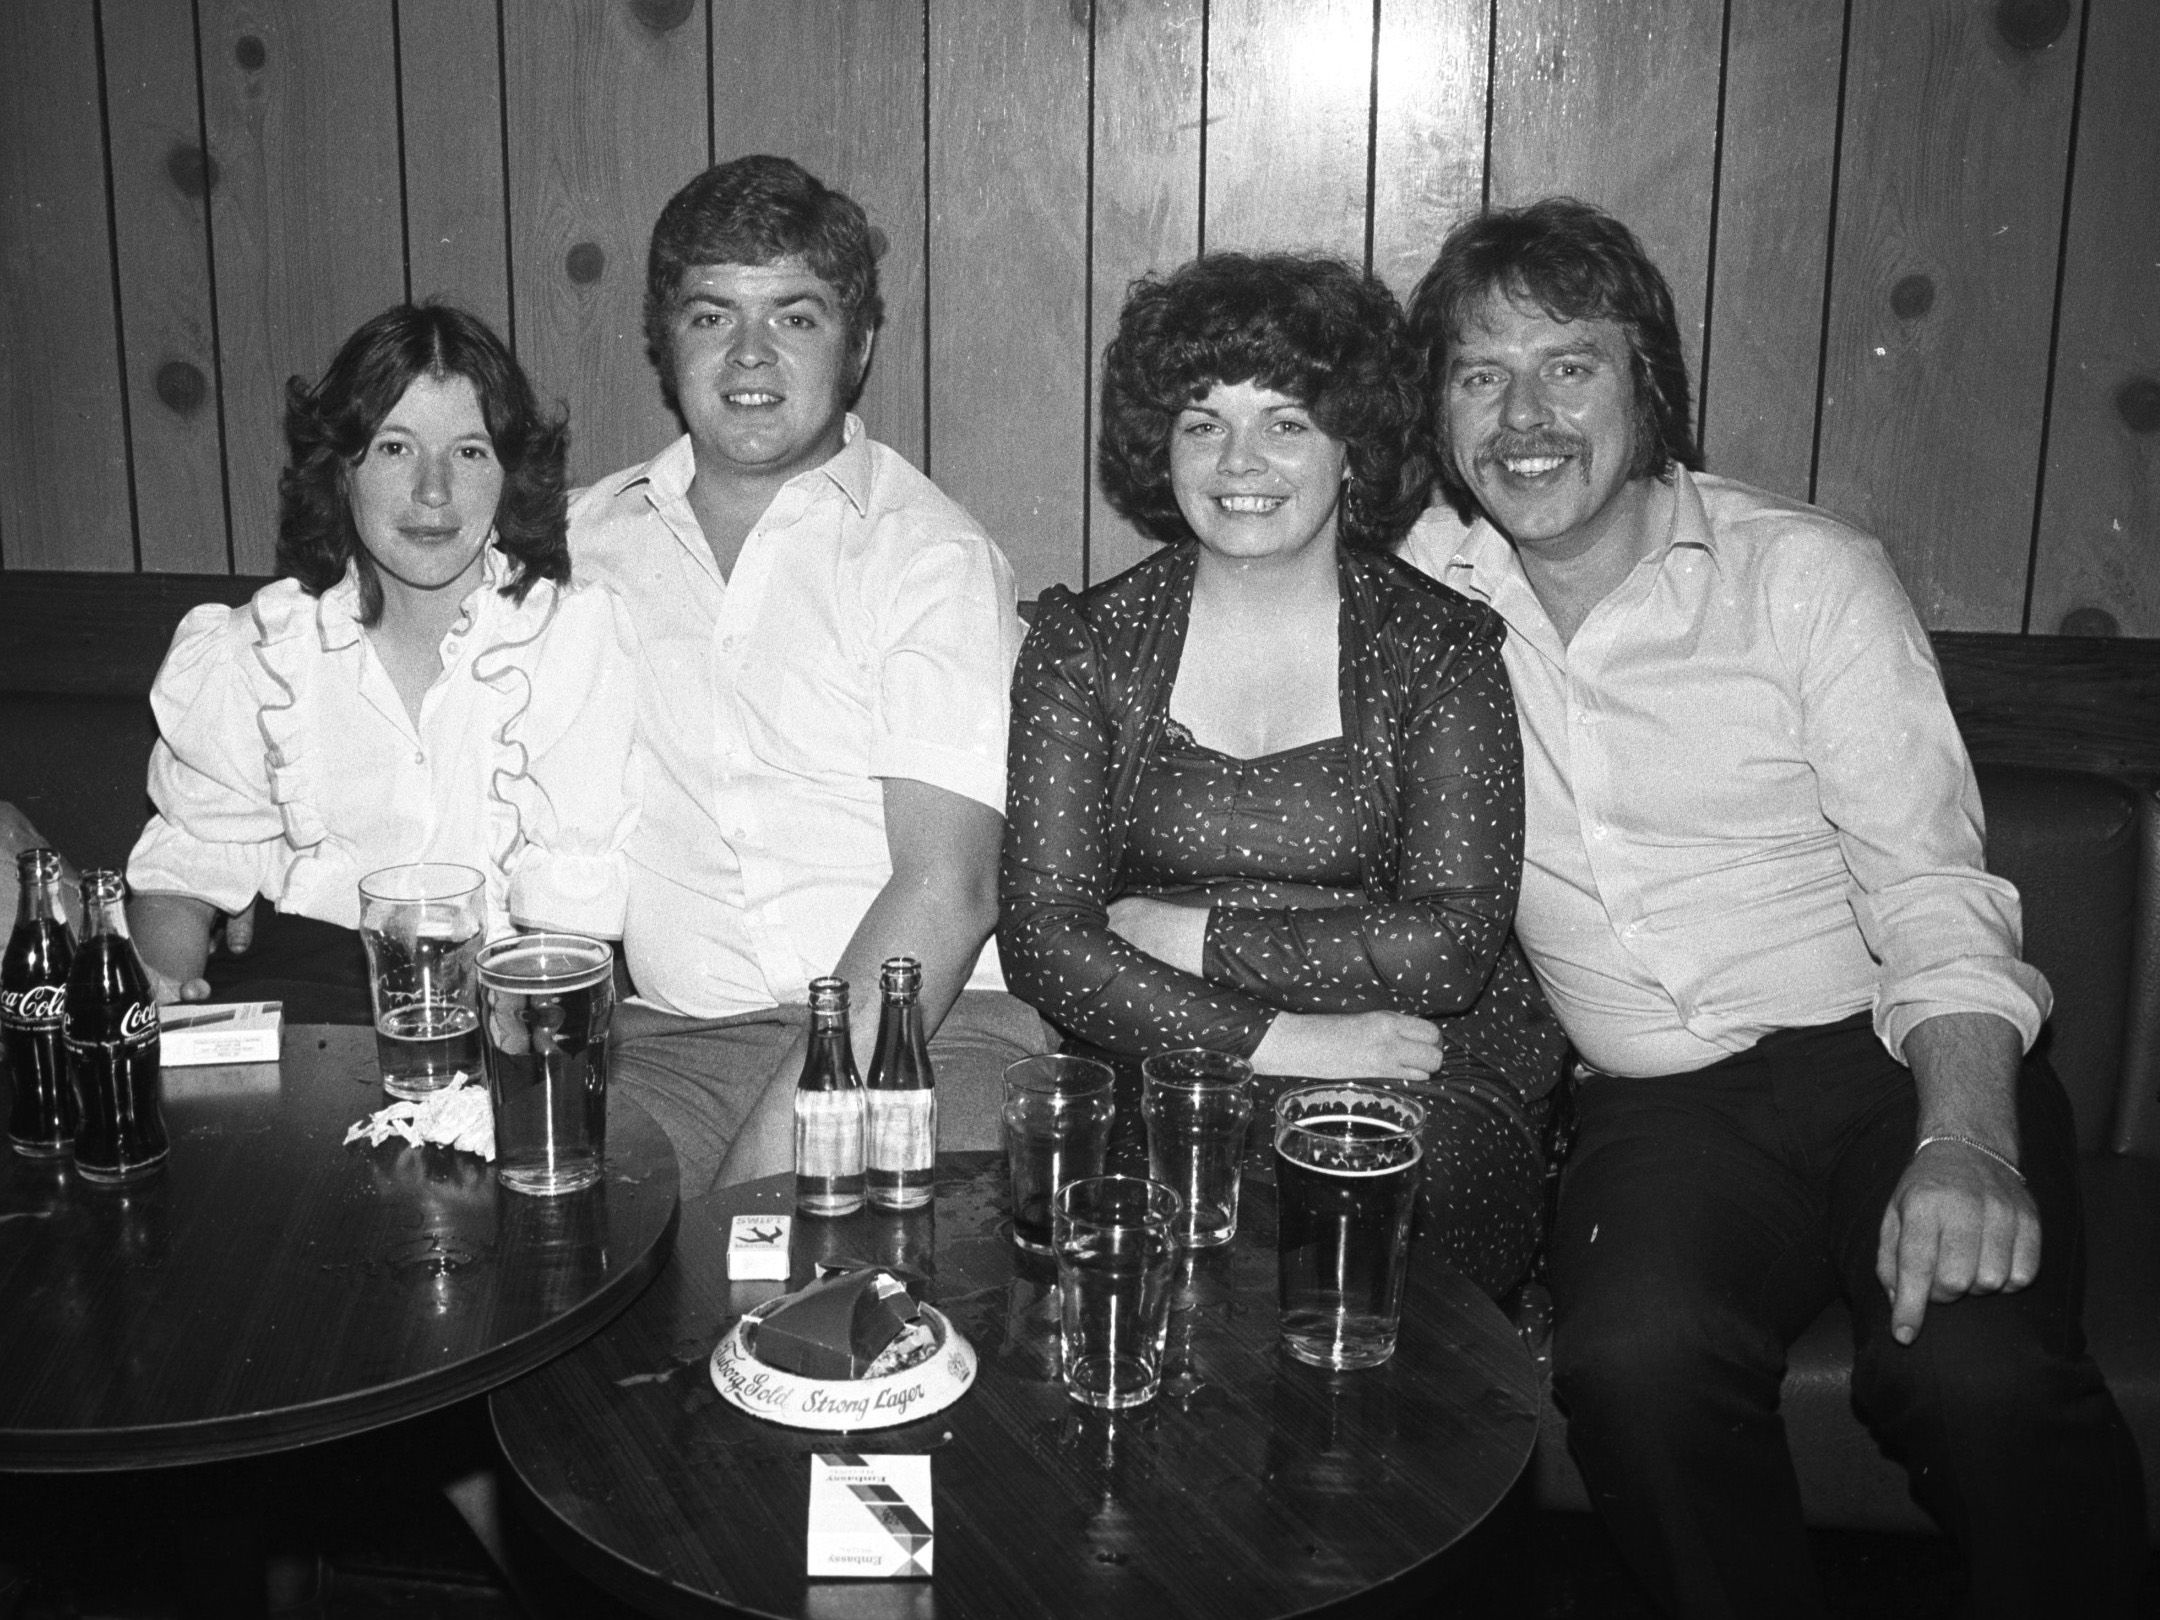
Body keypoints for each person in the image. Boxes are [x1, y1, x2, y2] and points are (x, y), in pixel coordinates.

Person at [1400, 198, 2145, 1616]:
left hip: (1888, 1059)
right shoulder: (1418, 601)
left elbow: (1931, 885)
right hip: (1661, 1110)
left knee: (1976, 1376)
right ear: (1439, 412)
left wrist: (1968, 1140)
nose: (1524, 416)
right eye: (1480, 373)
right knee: (1632, 1369)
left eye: (1570, 365)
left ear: (1648, 385)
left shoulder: (1803, 575)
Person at [999, 252, 1569, 1300]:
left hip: (1408, 1063)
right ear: (1161, 447)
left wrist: (1192, 936)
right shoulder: (1086, 646)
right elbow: (1044, 942)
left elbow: (1449, 950)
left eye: (1287, 423)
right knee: (1134, 1216)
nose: (1239, 461)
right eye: (1203, 423)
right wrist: (1285, 1040)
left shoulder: (1440, 647)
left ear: (1354, 449)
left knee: (1379, 1199)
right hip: (1161, 1062)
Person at [569, 154, 1051, 1197]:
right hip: (678, 1043)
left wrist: (778, 1148)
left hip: (935, 1029)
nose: (750, 353)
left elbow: (950, 887)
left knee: (868, 1239)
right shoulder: (581, 542)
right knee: (551, 1223)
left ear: (858, 343)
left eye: (795, 317)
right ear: (664, 341)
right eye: (711, 316)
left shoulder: (929, 557)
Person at [127, 303, 638, 1024]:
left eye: (469, 452)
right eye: (396, 448)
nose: (433, 492)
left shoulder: (569, 638)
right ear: (342, 468)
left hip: (502, 1007)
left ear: (509, 474)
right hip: (303, 1001)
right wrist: (170, 1000)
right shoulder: (263, 650)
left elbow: (570, 922)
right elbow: (184, 870)